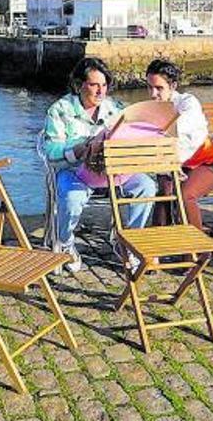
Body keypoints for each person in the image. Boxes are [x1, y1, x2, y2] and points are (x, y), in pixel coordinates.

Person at [42, 57, 157, 272]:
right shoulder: (59, 110)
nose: (100, 91)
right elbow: (50, 152)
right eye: (94, 85)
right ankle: (66, 243)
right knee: (71, 197)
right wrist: (80, 149)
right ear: (79, 85)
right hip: (75, 171)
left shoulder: (115, 108)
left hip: (115, 171)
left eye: (104, 85)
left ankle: (128, 243)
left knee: (147, 186)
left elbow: (132, 133)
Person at [146, 59, 213, 231]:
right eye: (149, 87)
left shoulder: (188, 102)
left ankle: (197, 250)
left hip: (204, 165)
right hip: (171, 168)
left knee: (185, 194)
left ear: (173, 86)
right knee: (164, 193)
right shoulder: (152, 109)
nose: (152, 94)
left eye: (159, 88)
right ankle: (159, 245)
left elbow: (181, 126)